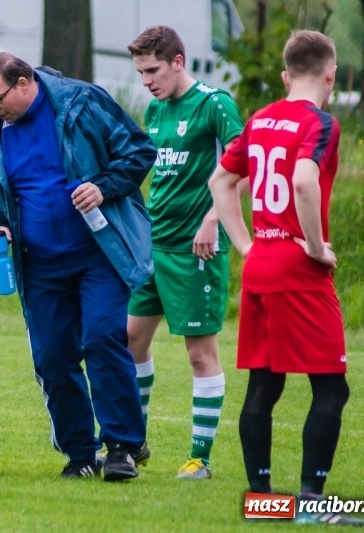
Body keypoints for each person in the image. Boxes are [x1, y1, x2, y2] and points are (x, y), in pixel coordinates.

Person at [0, 52, 156, 481]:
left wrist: (102, 187)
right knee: (52, 356)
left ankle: (123, 448)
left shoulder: (81, 103)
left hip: (98, 253)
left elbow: (139, 151)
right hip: (38, 264)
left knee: (103, 338)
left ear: (23, 83)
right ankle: (79, 454)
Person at [208, 30, 364, 526]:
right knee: (331, 389)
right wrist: (318, 248)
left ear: (284, 75)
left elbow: (220, 181)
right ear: (331, 74)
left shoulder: (260, 119)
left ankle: (264, 501)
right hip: (299, 271)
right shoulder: (320, 122)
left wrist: (247, 245)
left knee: (265, 383)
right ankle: (312, 505)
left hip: (261, 265)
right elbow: (302, 180)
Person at [125, 26, 244, 479]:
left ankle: (201, 458)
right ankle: (134, 444)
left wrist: (213, 219)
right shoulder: (155, 109)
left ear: (178, 61)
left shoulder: (214, 104)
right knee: (131, 340)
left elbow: (244, 164)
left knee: (199, 353)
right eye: (140, 72)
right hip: (151, 246)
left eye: (153, 70)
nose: (147, 80)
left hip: (196, 248)